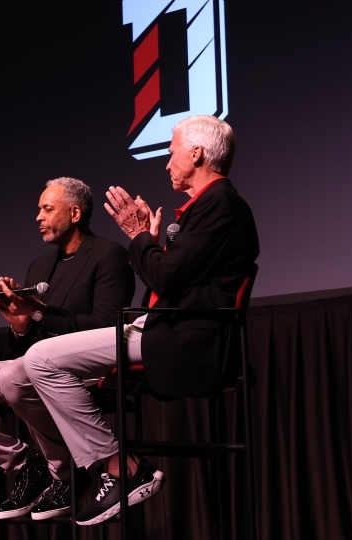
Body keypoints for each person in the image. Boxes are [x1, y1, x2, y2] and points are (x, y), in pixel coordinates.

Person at [22, 115, 260, 526]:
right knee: (38, 362)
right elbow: (177, 274)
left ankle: (121, 468)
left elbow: (167, 278)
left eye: (171, 152)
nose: (167, 162)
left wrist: (139, 239)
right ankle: (111, 468)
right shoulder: (211, 206)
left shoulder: (220, 204)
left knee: (41, 359)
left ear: (197, 154)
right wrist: (149, 243)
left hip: (183, 334)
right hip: (160, 324)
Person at [0, 177, 135, 521]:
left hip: (79, 369)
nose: (38, 217)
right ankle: (26, 464)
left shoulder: (108, 255)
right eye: (38, 209)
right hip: (31, 364)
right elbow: (27, 339)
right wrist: (19, 322)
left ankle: (65, 475)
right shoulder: (41, 265)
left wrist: (38, 312)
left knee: (13, 375)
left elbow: (105, 328)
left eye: (46, 208)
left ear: (74, 213)